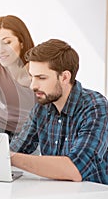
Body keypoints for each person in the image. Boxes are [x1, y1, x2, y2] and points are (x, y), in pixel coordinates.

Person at [10, 39, 108, 184]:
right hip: (58, 193)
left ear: (65, 77)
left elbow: (75, 169)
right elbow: (17, 149)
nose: (33, 86)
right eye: (32, 77)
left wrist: (10, 157)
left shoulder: (96, 107)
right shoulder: (41, 108)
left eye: (41, 78)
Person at [0, 15, 36, 141]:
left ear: (21, 42)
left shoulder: (37, 66)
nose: (1, 51)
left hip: (30, 132)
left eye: (7, 42)